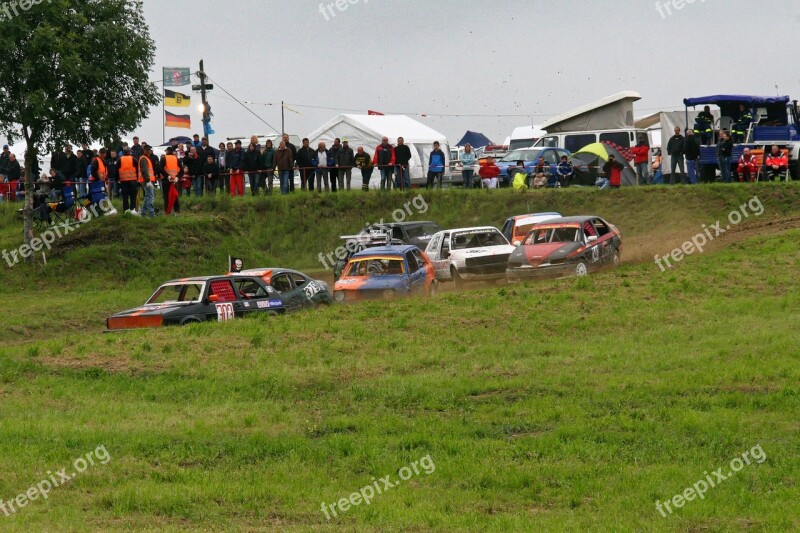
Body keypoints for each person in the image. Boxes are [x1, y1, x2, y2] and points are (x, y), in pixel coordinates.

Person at [160, 147, 181, 214]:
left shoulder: (164, 159)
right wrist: (177, 177)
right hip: (175, 181)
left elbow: (160, 169)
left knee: (166, 196)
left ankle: (167, 211)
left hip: (166, 180)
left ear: (167, 151)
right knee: (175, 196)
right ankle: (177, 210)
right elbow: (182, 170)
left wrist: (167, 176)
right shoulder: (176, 159)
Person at [117, 147, 138, 213]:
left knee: (125, 196)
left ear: (123, 152)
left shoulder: (120, 159)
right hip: (133, 180)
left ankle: (126, 210)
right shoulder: (133, 159)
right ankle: (133, 209)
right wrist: (138, 179)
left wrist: (117, 179)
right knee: (133, 196)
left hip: (124, 181)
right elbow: (138, 170)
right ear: (129, 152)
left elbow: (116, 170)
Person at [138, 145, 156, 218]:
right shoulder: (144, 158)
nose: (148, 151)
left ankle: (143, 213)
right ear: (144, 150)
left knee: (147, 196)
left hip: (146, 180)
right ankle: (152, 214)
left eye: (149, 150)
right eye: (147, 150)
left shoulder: (145, 158)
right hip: (146, 181)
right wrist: (148, 181)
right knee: (150, 197)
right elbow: (144, 170)